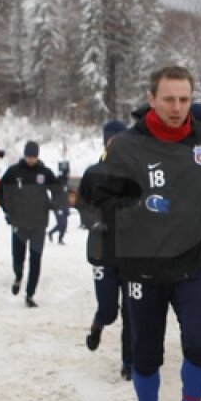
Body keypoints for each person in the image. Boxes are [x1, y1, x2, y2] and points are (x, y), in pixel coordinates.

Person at [87, 65, 201, 401]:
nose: (178, 108)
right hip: (143, 268)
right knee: (146, 356)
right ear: (151, 99)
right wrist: (140, 206)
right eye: (169, 99)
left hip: (194, 261)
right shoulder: (126, 147)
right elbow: (102, 203)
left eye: (184, 99)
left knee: (200, 345)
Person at [77, 120, 133, 380]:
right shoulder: (93, 173)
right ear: (106, 142)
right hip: (102, 251)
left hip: (132, 253)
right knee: (109, 309)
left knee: (131, 312)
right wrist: (94, 221)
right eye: (113, 140)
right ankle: (98, 324)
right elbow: (82, 204)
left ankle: (128, 362)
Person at [0, 140, 61, 308]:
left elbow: (58, 190)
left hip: (39, 223)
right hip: (19, 222)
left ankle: (30, 294)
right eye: (29, 156)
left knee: (35, 259)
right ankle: (18, 277)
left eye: (34, 157)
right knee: (18, 257)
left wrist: (53, 204)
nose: (31, 159)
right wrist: (7, 209)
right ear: (24, 155)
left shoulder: (44, 172)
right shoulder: (14, 172)